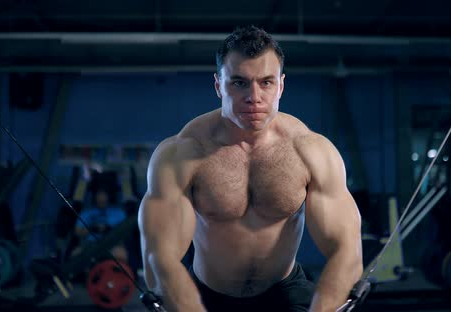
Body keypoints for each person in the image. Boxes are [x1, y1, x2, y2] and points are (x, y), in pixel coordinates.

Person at [138, 25, 363, 312]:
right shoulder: (180, 154)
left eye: (266, 82)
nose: (254, 96)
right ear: (219, 85)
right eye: (239, 82)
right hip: (205, 295)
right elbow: (159, 258)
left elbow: (347, 251)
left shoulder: (312, 152)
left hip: (285, 292)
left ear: (281, 85)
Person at [74, 188, 128, 261]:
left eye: (104, 196)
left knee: (121, 254)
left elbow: (125, 232)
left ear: (108, 197)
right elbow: (78, 232)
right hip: (89, 244)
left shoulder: (119, 213)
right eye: (99, 196)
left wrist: (110, 229)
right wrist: (92, 228)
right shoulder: (86, 213)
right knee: (75, 254)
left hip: (112, 244)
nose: (101, 199)